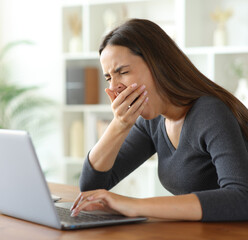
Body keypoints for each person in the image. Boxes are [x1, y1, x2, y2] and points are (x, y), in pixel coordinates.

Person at [70, 18, 248, 221]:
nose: (114, 87)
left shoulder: (209, 112)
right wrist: (119, 124)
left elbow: (241, 198)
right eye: (109, 78)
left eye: (123, 72)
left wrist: (134, 205)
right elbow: (91, 187)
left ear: (158, 65)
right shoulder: (152, 121)